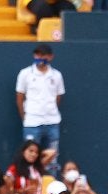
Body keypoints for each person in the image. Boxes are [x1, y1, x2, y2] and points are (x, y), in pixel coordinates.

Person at [15, 44, 65, 177]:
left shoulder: (57, 75)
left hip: (52, 121)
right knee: (29, 155)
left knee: (53, 158)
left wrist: (50, 111)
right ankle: (30, 182)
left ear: (50, 57)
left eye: (43, 55)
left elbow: (58, 97)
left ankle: (51, 187)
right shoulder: (25, 74)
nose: (40, 58)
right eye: (37, 54)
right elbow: (19, 97)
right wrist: (25, 117)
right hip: (32, 122)